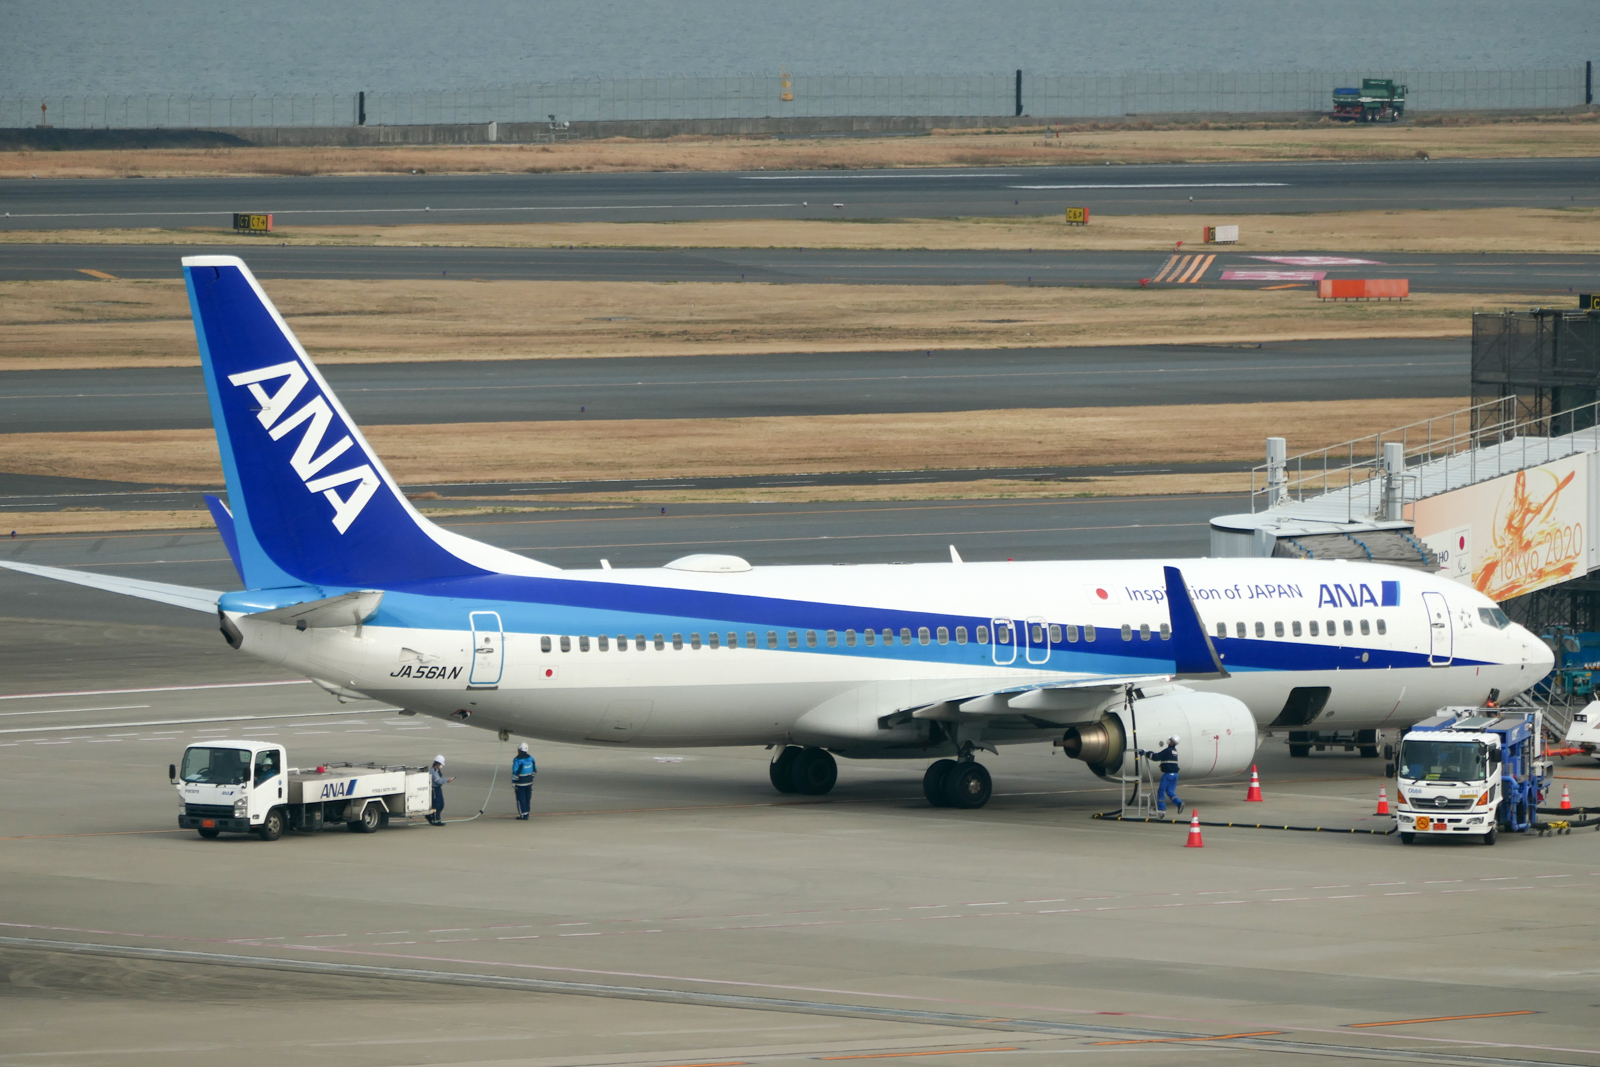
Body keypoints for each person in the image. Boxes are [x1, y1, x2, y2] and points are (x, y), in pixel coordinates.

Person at [1138, 735, 1183, 816]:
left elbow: (1156, 757)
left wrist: (1146, 753)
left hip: (1168, 775)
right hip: (1175, 775)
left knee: (1161, 791)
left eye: (1171, 740)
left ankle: (1161, 809)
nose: (1169, 741)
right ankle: (1179, 803)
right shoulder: (1174, 751)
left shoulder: (1168, 751)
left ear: (1173, 742)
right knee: (1170, 791)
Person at [510, 742, 537, 820]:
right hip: (529, 782)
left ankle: (523, 814)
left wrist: (514, 781)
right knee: (527, 797)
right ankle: (527, 812)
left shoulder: (517, 759)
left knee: (520, 798)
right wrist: (531, 778)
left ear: (520, 750)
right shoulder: (531, 758)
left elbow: (515, 771)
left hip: (520, 783)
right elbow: (534, 770)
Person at [428, 755, 453, 825]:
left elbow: (441, 779)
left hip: (438, 789)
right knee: (437, 805)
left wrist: (446, 780)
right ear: (438, 763)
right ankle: (436, 819)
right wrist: (446, 780)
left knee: (441, 804)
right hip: (434, 789)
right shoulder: (433, 771)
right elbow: (438, 781)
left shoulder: (437, 770)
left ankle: (434, 817)